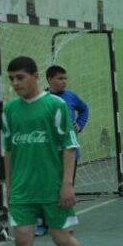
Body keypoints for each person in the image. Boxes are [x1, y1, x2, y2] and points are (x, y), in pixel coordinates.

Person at [0, 56, 94, 246]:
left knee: (60, 237)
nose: (16, 83)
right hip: (22, 189)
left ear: (35, 76)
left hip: (52, 186)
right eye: (12, 79)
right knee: (22, 239)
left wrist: (67, 184)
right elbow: (8, 150)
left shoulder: (55, 105)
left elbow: (69, 145)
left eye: (20, 77)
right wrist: (9, 186)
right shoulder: (9, 110)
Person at [35, 65, 89, 236]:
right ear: (49, 79)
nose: (64, 82)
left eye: (65, 78)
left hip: (69, 153)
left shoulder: (71, 97)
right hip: (49, 154)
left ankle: (64, 222)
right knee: (46, 188)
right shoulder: (42, 99)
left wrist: (79, 124)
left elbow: (84, 108)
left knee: (66, 187)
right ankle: (43, 223)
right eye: (60, 78)